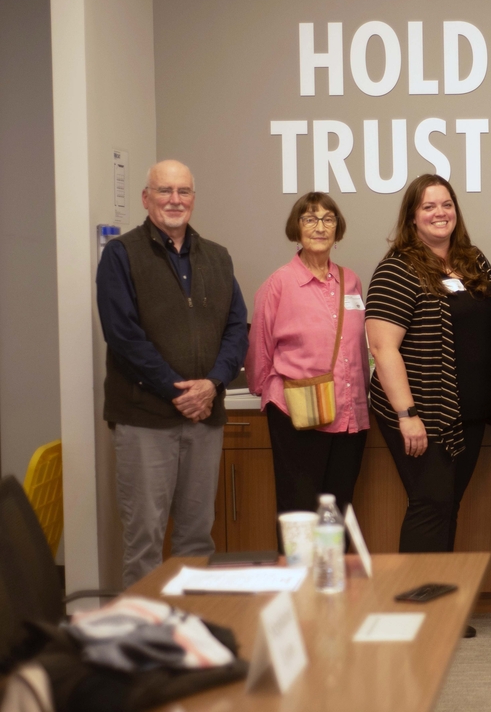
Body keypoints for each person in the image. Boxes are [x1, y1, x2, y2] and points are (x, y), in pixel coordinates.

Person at [97, 159, 248, 588]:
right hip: (145, 420)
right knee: (144, 539)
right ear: (146, 198)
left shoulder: (217, 257)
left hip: (204, 418)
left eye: (183, 191)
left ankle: (190, 625)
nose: (175, 200)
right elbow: (122, 335)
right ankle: (145, 629)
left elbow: (237, 328)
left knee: (197, 538)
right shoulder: (120, 254)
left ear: (194, 199)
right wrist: (177, 391)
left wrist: (212, 384)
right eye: (165, 191)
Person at [365, 175, 491, 558]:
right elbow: (383, 348)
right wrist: (407, 414)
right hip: (425, 414)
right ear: (412, 216)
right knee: (430, 507)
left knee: (447, 506)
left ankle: (440, 596)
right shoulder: (398, 269)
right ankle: (420, 596)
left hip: (469, 413)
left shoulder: (473, 260)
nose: (439, 213)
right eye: (428, 206)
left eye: (446, 204)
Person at [245, 193, 369, 523]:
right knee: (300, 511)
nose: (320, 227)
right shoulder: (279, 283)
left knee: (337, 509)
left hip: (348, 412)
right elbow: (260, 347)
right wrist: (265, 390)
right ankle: (301, 562)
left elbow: (357, 343)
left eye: (328, 219)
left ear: (338, 228)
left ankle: (333, 561)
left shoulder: (351, 280)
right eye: (310, 219)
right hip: (297, 410)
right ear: (296, 228)